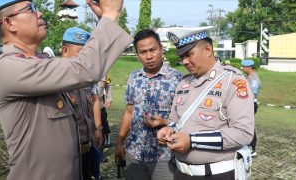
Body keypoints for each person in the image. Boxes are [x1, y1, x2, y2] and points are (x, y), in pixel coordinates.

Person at [0, 0, 132, 180]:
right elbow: (84, 68)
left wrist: (105, 18)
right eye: (31, 9)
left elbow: (83, 64)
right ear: (9, 23)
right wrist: (110, 16)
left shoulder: (41, 62)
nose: (40, 13)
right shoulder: (6, 67)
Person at [157, 27, 254, 180]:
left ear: (208, 49)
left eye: (189, 54)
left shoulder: (233, 81)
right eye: (182, 56)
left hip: (217, 174)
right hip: (181, 172)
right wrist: (168, 129)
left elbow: (243, 133)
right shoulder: (183, 83)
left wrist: (192, 141)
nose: (184, 61)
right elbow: (177, 121)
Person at [115, 29, 183, 180]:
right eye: (143, 52)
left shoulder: (178, 79)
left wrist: (164, 122)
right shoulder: (134, 77)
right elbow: (129, 112)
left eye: (153, 50)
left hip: (164, 155)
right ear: (137, 54)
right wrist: (120, 141)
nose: (149, 56)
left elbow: (184, 118)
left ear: (161, 49)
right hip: (135, 153)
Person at [62, 27, 103, 180]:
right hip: (67, 155)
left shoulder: (86, 77)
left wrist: (98, 128)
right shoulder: (56, 79)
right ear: (65, 50)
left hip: (88, 147)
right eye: (82, 52)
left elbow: (94, 100)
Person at [241, 59, 261, 157]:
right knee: (245, 124)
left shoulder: (254, 79)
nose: (242, 69)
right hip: (248, 104)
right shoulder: (248, 77)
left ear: (248, 68)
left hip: (251, 104)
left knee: (249, 125)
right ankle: (248, 144)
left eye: (243, 67)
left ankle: (252, 147)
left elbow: (253, 94)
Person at [97, 74, 112, 148]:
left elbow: (108, 85)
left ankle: (106, 138)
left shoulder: (104, 71)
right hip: (86, 106)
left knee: (103, 123)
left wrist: (109, 98)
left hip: (100, 106)